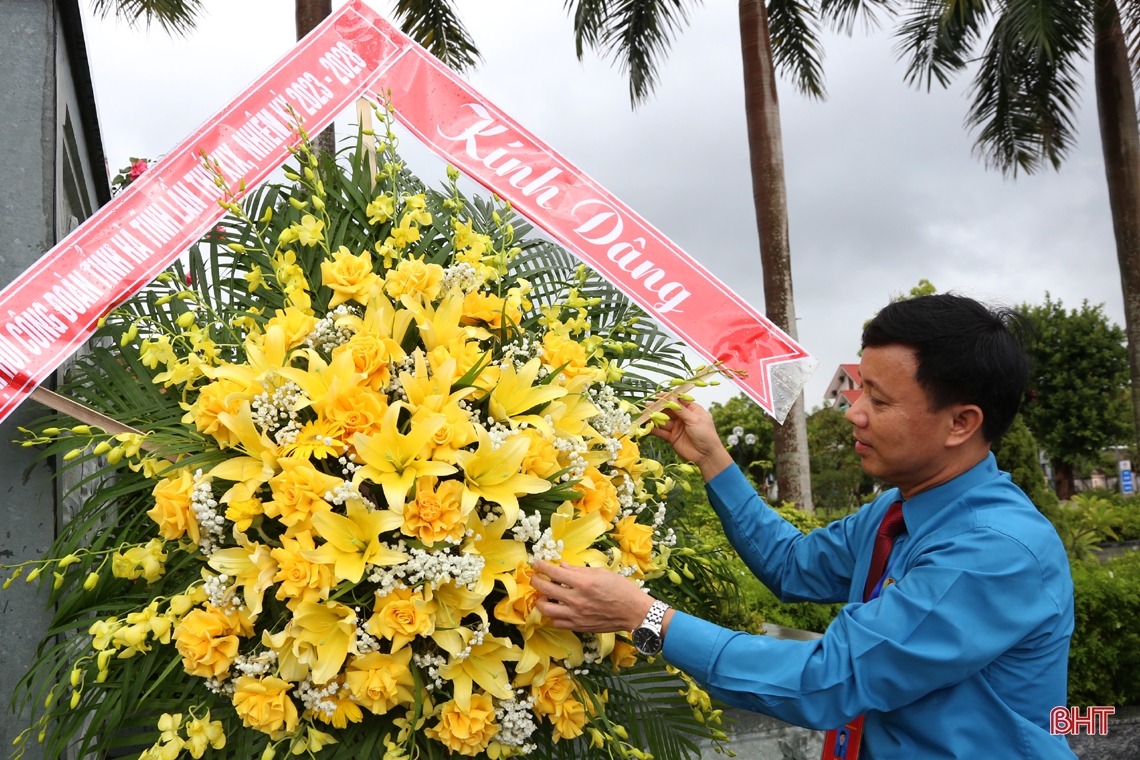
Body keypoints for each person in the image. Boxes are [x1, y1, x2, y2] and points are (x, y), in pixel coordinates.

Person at [533, 294, 1076, 759]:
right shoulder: (897, 512)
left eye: (879, 401)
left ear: (962, 422)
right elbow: (793, 566)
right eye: (860, 389)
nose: (853, 412)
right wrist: (713, 459)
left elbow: (827, 680)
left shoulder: (992, 552)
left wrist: (643, 617)